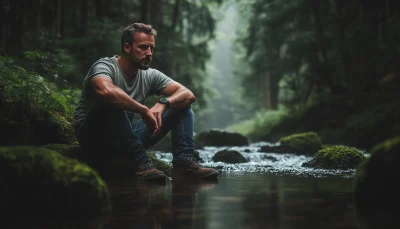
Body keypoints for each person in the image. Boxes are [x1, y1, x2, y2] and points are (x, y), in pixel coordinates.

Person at [73, 22, 219, 181]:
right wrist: (144, 110)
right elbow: (106, 91)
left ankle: (184, 164)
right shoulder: (105, 66)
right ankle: (141, 162)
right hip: (93, 136)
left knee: (182, 106)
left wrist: (164, 103)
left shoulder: (149, 75)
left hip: (123, 136)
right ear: (127, 48)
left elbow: (187, 94)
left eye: (151, 48)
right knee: (111, 100)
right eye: (143, 47)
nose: (149, 53)